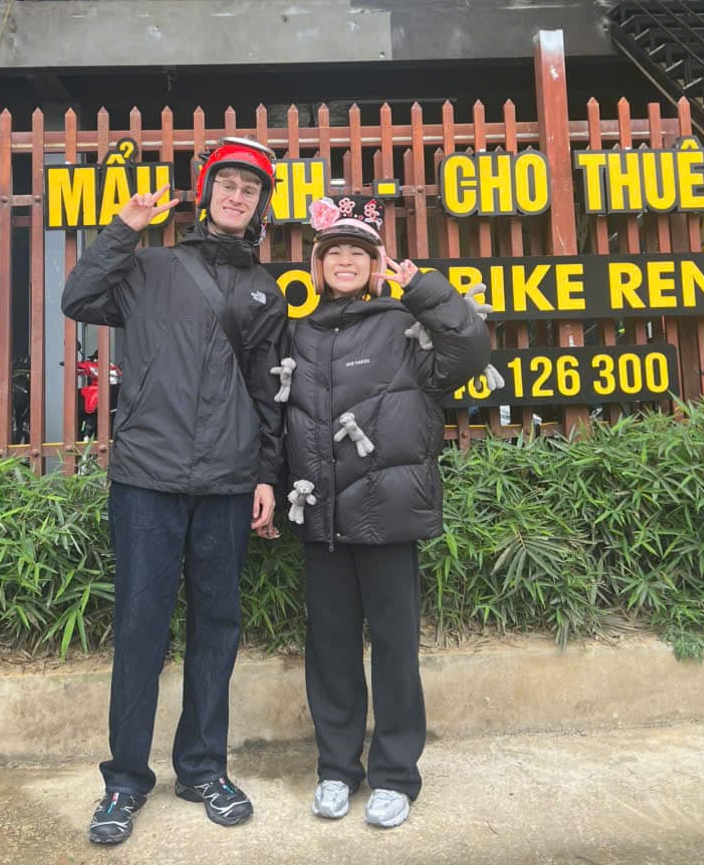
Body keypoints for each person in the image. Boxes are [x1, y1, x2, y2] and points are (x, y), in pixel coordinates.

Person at [61, 137, 286, 847]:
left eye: (251, 189)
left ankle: (202, 767)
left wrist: (265, 477)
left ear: (259, 208)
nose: (238, 195)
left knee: (216, 628)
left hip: (225, 481)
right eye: (229, 183)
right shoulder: (149, 266)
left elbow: (270, 395)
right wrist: (124, 229)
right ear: (206, 190)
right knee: (140, 630)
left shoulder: (263, 290)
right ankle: (125, 779)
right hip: (146, 480)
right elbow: (78, 297)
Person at [276, 195, 491, 829]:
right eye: (333, 252)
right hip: (323, 523)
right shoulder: (302, 332)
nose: (344, 262)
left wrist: (423, 287)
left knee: (395, 648)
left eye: (357, 253)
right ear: (318, 266)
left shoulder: (407, 322)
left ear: (375, 264)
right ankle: (337, 769)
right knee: (331, 649)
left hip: (390, 514)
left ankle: (396, 775)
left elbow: (470, 351)